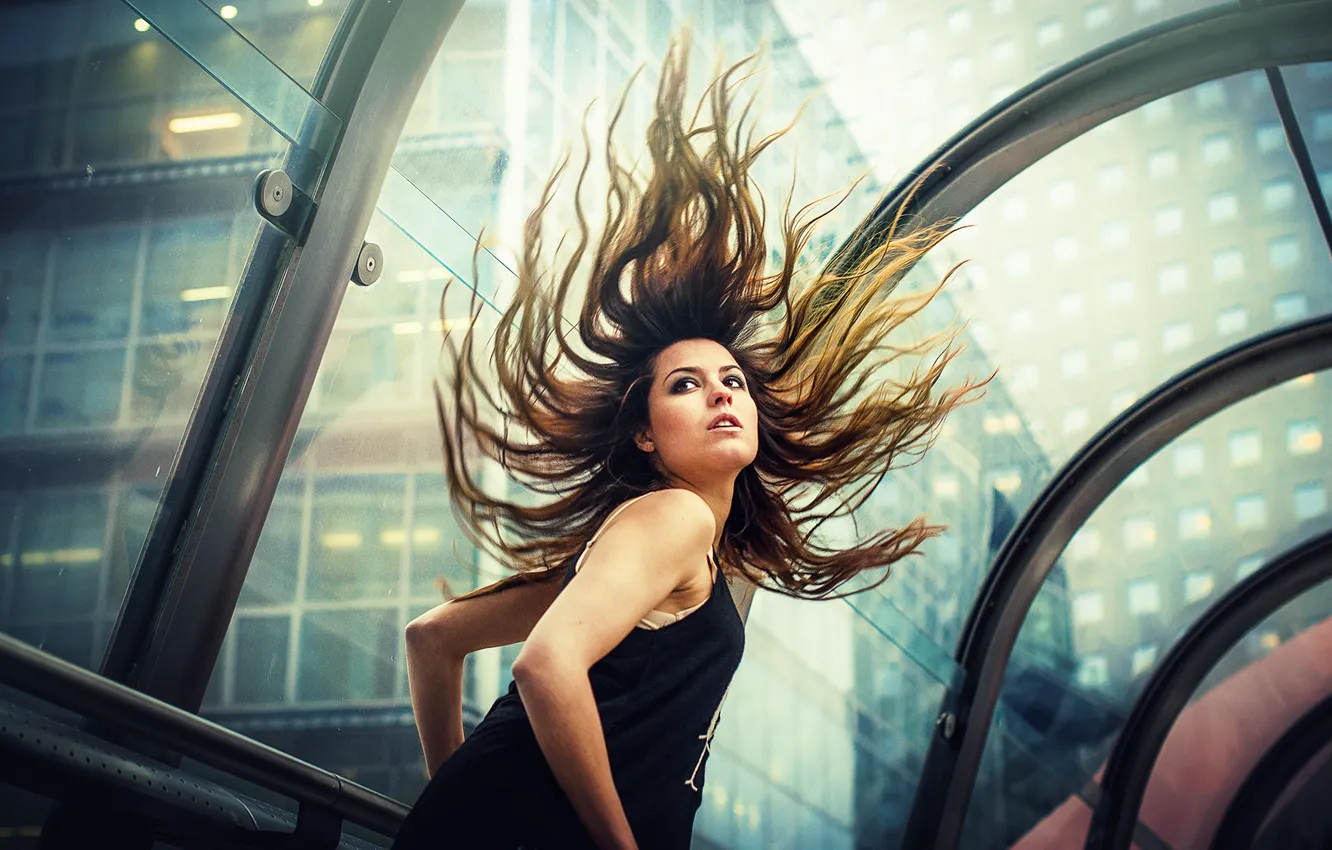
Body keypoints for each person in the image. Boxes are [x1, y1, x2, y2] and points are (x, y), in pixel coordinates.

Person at [393, 39, 984, 850]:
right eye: (686, 384)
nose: (720, 391)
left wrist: (452, 800)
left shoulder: (643, 561)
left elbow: (433, 638)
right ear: (644, 434)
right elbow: (542, 666)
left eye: (733, 380)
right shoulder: (673, 519)